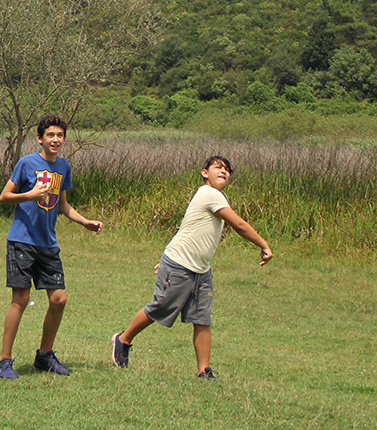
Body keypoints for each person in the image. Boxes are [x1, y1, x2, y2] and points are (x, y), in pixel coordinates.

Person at [110, 156, 273, 380]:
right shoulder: (209, 194)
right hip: (180, 264)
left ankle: (203, 370)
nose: (224, 172)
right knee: (161, 307)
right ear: (205, 172)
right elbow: (239, 225)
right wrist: (263, 245)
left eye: (227, 170)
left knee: (202, 317)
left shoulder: (216, 197)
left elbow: (190, 228)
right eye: (218, 168)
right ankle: (123, 339)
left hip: (201, 269)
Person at [0, 115, 103, 379]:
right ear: (40, 138)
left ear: (65, 139)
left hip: (48, 243)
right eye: (50, 135)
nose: (55, 139)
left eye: (60, 135)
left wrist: (84, 221)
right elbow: (4, 196)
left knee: (59, 298)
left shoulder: (63, 167)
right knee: (20, 300)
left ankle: (44, 355)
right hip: (22, 240)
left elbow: (62, 204)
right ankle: (4, 361)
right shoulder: (26, 163)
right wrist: (28, 195)